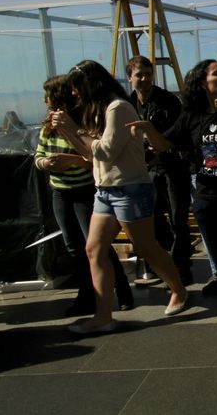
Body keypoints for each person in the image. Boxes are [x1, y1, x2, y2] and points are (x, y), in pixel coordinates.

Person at [50, 60, 188, 334]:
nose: (75, 94)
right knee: (94, 250)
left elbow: (104, 152)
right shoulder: (101, 111)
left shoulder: (118, 108)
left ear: (89, 85)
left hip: (130, 188)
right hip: (106, 190)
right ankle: (104, 315)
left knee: (146, 247)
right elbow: (91, 154)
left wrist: (73, 129)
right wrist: (68, 129)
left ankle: (179, 290)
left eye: (76, 88)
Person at [130, 60, 217, 338]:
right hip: (206, 198)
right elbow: (165, 144)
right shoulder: (191, 116)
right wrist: (146, 128)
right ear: (203, 82)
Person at [35, 75, 133, 316]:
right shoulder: (48, 126)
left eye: (49, 94)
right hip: (61, 192)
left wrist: (71, 160)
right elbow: (38, 157)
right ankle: (88, 293)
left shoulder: (81, 124)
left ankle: (121, 290)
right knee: (74, 246)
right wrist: (46, 163)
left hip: (84, 191)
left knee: (96, 244)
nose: (45, 99)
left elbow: (94, 156)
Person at [126, 56, 194, 285]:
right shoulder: (127, 105)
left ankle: (180, 266)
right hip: (145, 171)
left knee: (179, 218)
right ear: (130, 78)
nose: (144, 79)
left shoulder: (169, 102)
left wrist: (160, 152)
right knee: (152, 219)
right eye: (139, 75)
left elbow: (178, 135)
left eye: (148, 74)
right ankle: (167, 261)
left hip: (172, 168)